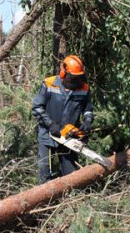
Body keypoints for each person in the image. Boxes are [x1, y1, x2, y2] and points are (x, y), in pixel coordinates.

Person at [32, 55, 94, 184]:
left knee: (71, 176)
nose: (76, 81)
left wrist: (87, 121)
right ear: (63, 72)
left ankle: (70, 201)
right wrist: (50, 124)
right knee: (44, 173)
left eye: (78, 77)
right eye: (73, 77)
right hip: (48, 134)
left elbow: (88, 109)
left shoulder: (84, 88)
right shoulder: (49, 84)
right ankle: (45, 201)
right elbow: (37, 107)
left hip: (69, 137)